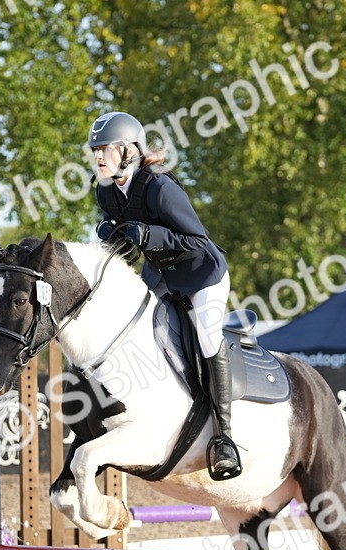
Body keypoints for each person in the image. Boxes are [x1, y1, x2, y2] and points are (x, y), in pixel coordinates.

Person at [87, 111, 241, 480]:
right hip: (162, 276)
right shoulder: (106, 191)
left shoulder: (159, 187)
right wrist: (112, 234)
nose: (98, 157)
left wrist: (148, 234)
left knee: (206, 338)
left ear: (128, 151)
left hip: (202, 275)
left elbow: (196, 242)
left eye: (104, 150)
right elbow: (128, 248)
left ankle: (224, 439)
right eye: (95, 151)